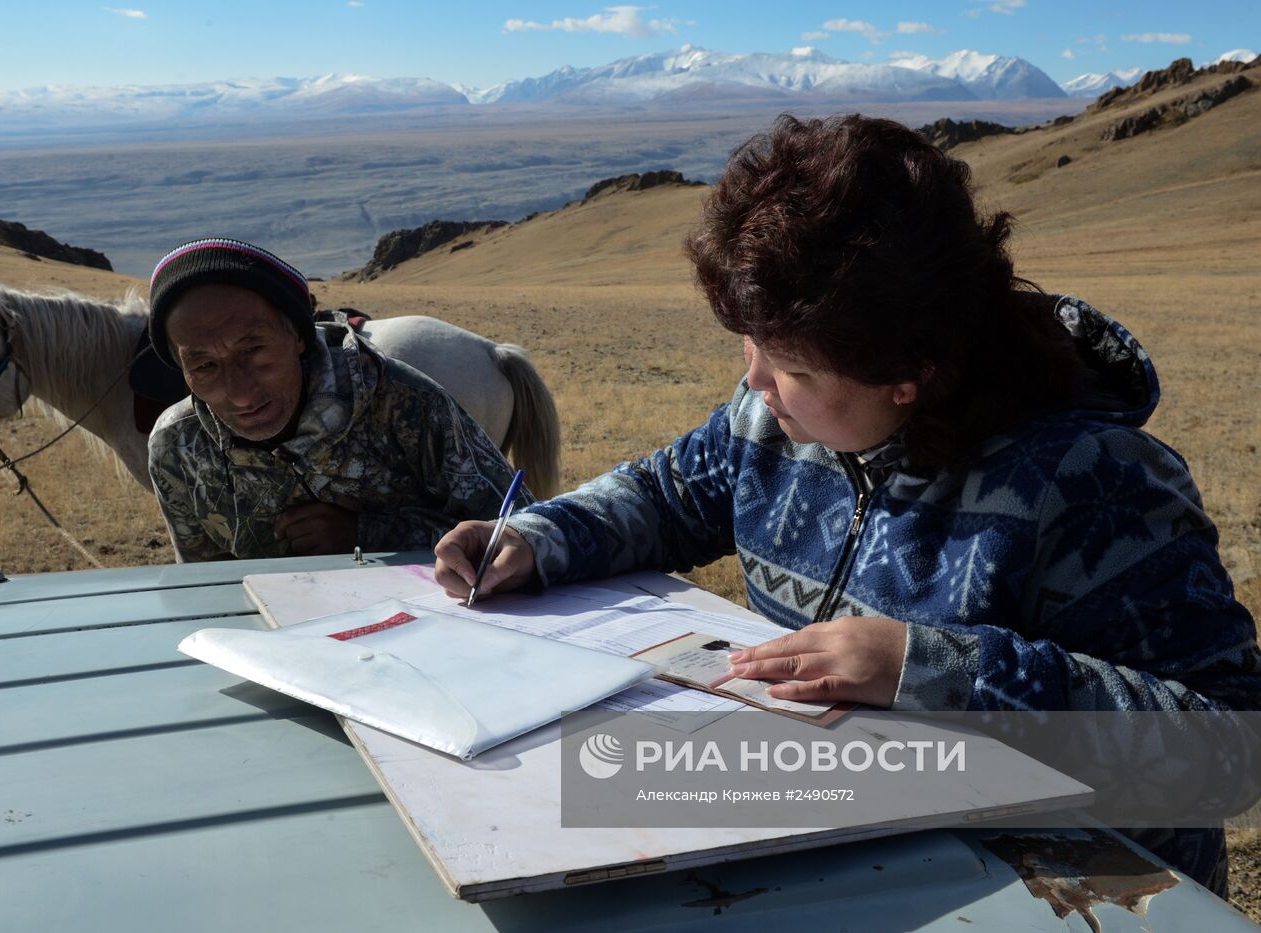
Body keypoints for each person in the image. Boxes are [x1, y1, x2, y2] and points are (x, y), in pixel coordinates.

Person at [434, 115, 1261, 894]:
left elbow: (1225, 749)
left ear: (911, 373)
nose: (754, 381)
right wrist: (540, 537)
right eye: (749, 345)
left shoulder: (1095, 482)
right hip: (846, 862)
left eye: (788, 363)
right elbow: (668, 492)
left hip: (1068, 892)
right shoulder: (773, 420)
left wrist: (931, 670)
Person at [146, 237, 527, 561]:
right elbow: (203, 585)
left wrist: (367, 535)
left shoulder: (405, 402)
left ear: (299, 336)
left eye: (254, 350)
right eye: (206, 366)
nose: (241, 393)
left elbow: (522, 531)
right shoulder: (176, 445)